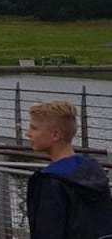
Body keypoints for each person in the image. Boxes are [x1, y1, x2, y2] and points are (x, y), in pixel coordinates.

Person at [26, 101, 112, 238]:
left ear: (55, 135)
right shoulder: (95, 170)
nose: (28, 134)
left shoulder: (50, 182)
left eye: (34, 128)